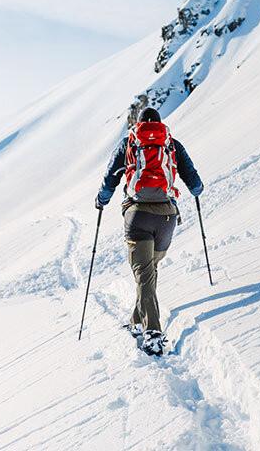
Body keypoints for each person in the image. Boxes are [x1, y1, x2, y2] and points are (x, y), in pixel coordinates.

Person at [95, 107, 204, 356]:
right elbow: (194, 181)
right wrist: (196, 190)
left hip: (137, 215)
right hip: (166, 217)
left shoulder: (129, 143)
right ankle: (136, 321)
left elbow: (110, 177)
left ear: (139, 123)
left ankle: (153, 333)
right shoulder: (171, 144)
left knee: (144, 275)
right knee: (149, 271)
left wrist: (102, 200)